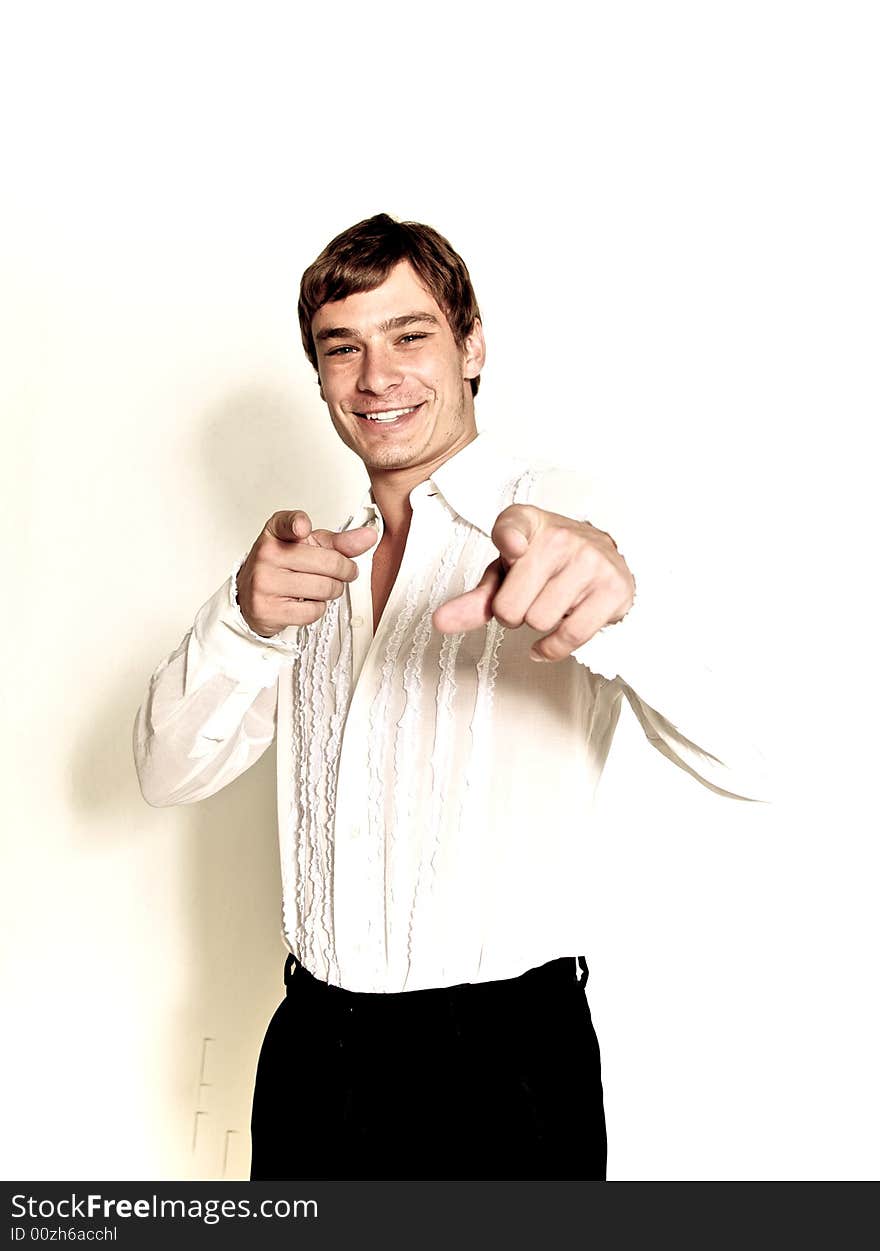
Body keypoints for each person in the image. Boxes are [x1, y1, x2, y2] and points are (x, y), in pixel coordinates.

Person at [134, 212, 765, 1181]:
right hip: (311, 1051)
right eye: (343, 348)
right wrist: (242, 624)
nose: (376, 377)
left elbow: (769, 758)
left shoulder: (577, 528)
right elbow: (166, 774)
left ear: (471, 346)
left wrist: (623, 613)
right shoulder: (307, 566)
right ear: (319, 377)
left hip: (503, 1068)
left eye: (410, 335)